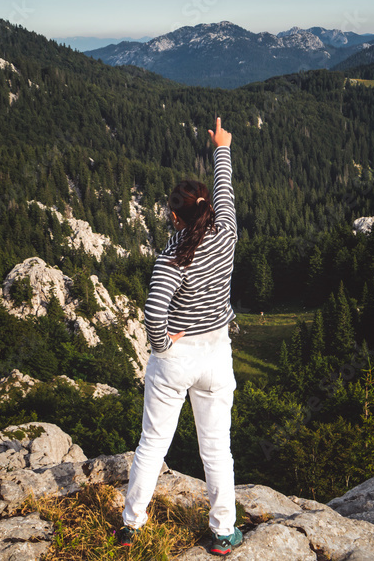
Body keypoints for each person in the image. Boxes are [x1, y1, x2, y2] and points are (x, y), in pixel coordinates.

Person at [118, 117, 243, 556]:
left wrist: (162, 346)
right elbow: (224, 192)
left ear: (174, 217)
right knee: (217, 450)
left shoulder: (172, 255)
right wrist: (221, 148)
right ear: (207, 208)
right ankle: (223, 533)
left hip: (177, 358)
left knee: (152, 443)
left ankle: (132, 525)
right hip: (216, 354)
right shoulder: (226, 233)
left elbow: (153, 310)